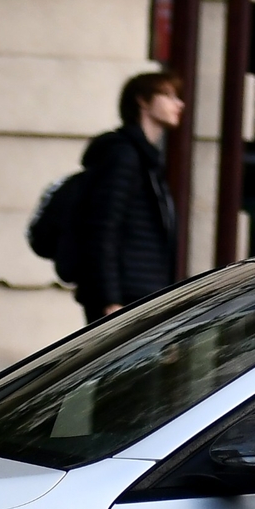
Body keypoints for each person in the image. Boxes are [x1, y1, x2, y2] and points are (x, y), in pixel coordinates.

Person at [75, 70, 182, 321]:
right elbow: (103, 229)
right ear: (142, 102)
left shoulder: (148, 162)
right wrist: (110, 300)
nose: (179, 104)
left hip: (144, 293)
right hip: (125, 298)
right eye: (168, 96)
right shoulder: (124, 157)